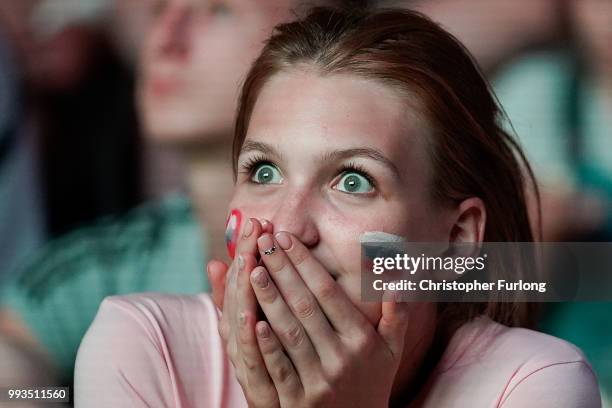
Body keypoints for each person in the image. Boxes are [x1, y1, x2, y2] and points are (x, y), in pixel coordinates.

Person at [75, 6, 601, 407]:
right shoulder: (141, 344)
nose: (286, 226)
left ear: (458, 240)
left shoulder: (534, 381)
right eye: (264, 171)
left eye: (353, 180)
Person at [0, 0, 364, 385]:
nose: (165, 40)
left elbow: (432, 269)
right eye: (159, 11)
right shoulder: (115, 262)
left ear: (322, 31)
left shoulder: (400, 253)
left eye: (219, 10)